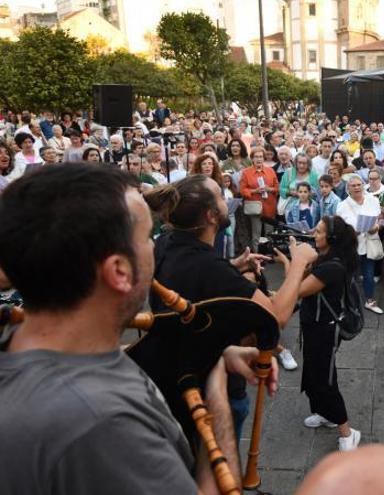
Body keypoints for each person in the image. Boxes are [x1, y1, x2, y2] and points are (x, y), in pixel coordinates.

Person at [0, 164, 281, 494]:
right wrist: (216, 388)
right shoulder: (103, 427)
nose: (157, 246)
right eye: (148, 237)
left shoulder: (35, 352)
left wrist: (213, 351)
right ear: (119, 271)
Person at [145, 174, 314, 440]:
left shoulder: (165, 243)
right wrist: (298, 263)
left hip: (172, 373)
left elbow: (194, 276)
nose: (227, 200)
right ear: (212, 216)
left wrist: (232, 266)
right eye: (221, 196)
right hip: (211, 391)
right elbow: (275, 316)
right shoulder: (211, 269)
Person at [296, 216, 364, 451]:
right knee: (312, 372)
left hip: (325, 328)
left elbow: (297, 289)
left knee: (325, 379)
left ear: (332, 238)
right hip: (312, 324)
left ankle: (347, 432)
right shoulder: (323, 259)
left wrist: (293, 261)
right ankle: (324, 413)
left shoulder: (332, 266)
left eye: (319, 231)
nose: (314, 234)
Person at [336, 175, 384, 315]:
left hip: (369, 241)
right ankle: (348, 303)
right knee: (349, 274)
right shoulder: (342, 205)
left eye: (359, 185)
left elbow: (379, 218)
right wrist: (353, 232)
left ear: (363, 186)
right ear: (348, 189)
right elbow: (342, 228)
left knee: (369, 273)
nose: (357, 187)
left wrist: (376, 227)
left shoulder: (373, 200)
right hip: (351, 245)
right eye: (353, 185)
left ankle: (369, 300)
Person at [239, 146, 280, 251]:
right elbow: (242, 190)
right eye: (256, 157)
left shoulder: (270, 171)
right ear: (252, 158)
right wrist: (255, 191)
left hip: (270, 206)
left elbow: (277, 188)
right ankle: (257, 255)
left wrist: (269, 189)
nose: (259, 159)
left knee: (269, 233)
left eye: (261, 157)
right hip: (255, 207)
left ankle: (269, 254)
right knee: (256, 234)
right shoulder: (246, 172)